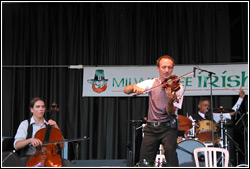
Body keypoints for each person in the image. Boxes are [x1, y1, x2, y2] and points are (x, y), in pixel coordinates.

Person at [124, 55, 184, 167]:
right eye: (164, 67)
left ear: (172, 69)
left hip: (168, 127)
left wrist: (170, 101)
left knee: (170, 152)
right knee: (144, 162)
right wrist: (134, 87)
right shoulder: (151, 83)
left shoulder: (178, 87)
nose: (167, 71)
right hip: (151, 128)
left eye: (169, 68)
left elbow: (170, 112)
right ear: (158, 68)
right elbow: (126, 90)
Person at [13, 97, 71, 167]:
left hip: (50, 156)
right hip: (30, 156)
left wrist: (56, 127)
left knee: (66, 163)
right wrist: (30, 140)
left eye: (43, 107)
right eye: (38, 107)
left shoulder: (50, 126)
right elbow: (17, 145)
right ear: (32, 110)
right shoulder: (25, 124)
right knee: (22, 163)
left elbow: (62, 146)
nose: (41, 109)